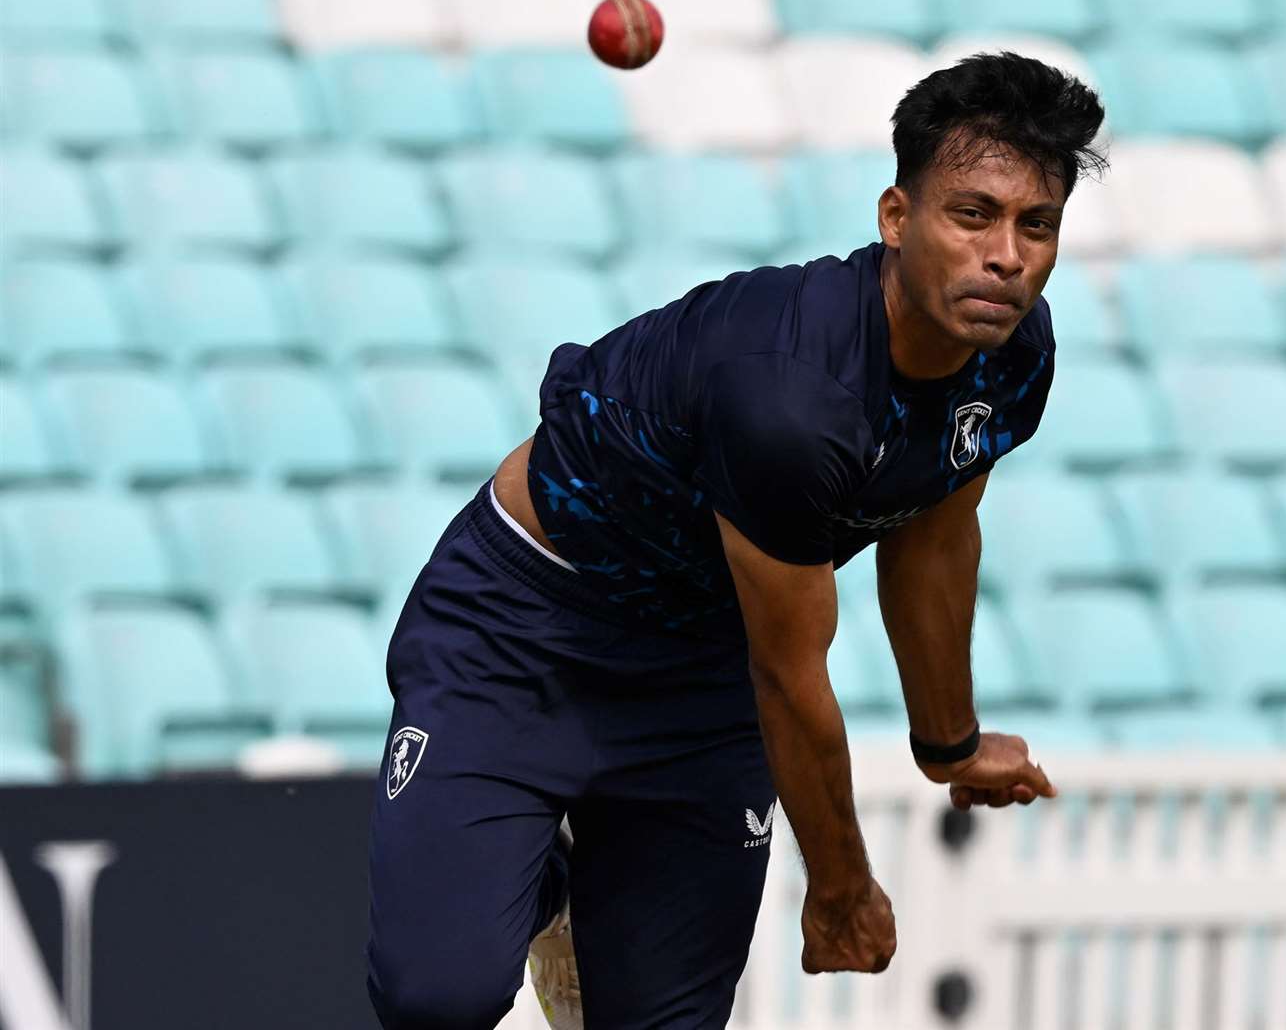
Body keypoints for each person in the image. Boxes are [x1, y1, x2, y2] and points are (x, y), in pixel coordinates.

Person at [366, 51, 1106, 1029]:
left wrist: (950, 746)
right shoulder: (791, 397)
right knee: (437, 998)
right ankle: (544, 882)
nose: (1006, 255)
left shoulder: (1011, 354)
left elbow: (934, 532)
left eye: (1035, 225)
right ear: (896, 219)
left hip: (704, 672)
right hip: (530, 630)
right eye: (972, 215)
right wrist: (840, 883)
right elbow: (789, 674)